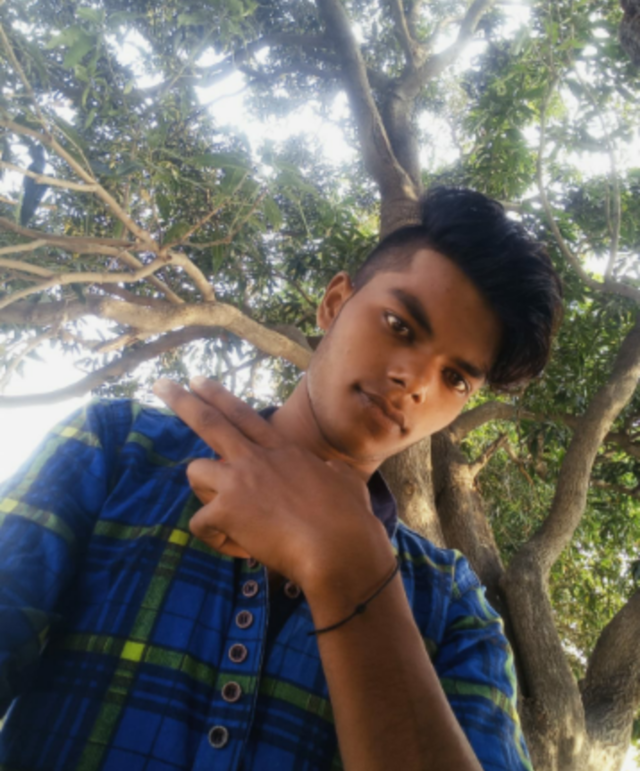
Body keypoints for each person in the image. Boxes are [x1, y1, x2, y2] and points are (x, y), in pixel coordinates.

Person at [0, 187, 562, 771]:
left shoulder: (454, 608)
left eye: (456, 379)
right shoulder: (119, 449)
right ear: (334, 303)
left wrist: (352, 572)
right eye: (399, 325)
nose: (416, 381)